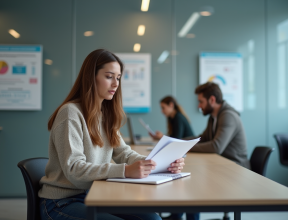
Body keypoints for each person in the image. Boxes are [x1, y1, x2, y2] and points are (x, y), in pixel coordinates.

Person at [38, 49, 186, 220]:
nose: (116, 84)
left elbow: (124, 153)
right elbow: (74, 170)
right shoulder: (70, 113)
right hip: (61, 202)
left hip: (93, 195)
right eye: (109, 77)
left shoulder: (105, 115)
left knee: (152, 218)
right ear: (90, 78)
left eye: (118, 78)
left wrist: (158, 164)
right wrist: (125, 171)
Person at [149, 96, 198, 220]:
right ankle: (177, 215)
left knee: (182, 184)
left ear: (171, 105)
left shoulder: (178, 118)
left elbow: (176, 140)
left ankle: (180, 215)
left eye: (163, 107)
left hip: (189, 155)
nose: (162, 111)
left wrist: (162, 137)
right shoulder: (172, 118)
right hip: (183, 154)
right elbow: (174, 138)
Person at [188, 82, 250, 169]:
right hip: (222, 164)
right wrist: (179, 142)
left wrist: (187, 147)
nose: (199, 106)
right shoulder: (213, 117)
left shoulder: (228, 116)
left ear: (212, 100)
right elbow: (203, 139)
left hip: (237, 167)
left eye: (201, 102)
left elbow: (216, 147)